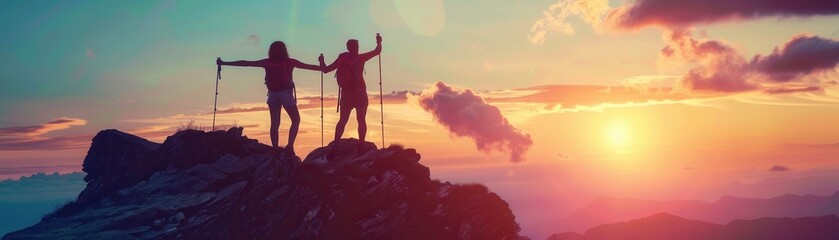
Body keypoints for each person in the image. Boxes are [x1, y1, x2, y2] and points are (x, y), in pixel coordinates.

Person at [217, 41, 322, 156]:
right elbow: (310, 67)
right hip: (286, 94)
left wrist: (224, 63)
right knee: (296, 120)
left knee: (275, 123)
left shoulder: (267, 62)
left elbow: (245, 63)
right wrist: (322, 64)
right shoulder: (290, 62)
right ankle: (289, 146)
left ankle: (275, 149)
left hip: (272, 94)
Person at [319, 34, 382, 152]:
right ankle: (361, 146)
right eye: (357, 46)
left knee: (342, 120)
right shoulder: (360, 58)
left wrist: (321, 61)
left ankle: (336, 145)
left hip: (346, 94)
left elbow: (326, 70)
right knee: (361, 120)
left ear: (348, 48)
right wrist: (379, 41)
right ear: (356, 47)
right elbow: (377, 51)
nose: (358, 47)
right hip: (360, 92)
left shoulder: (341, 58)